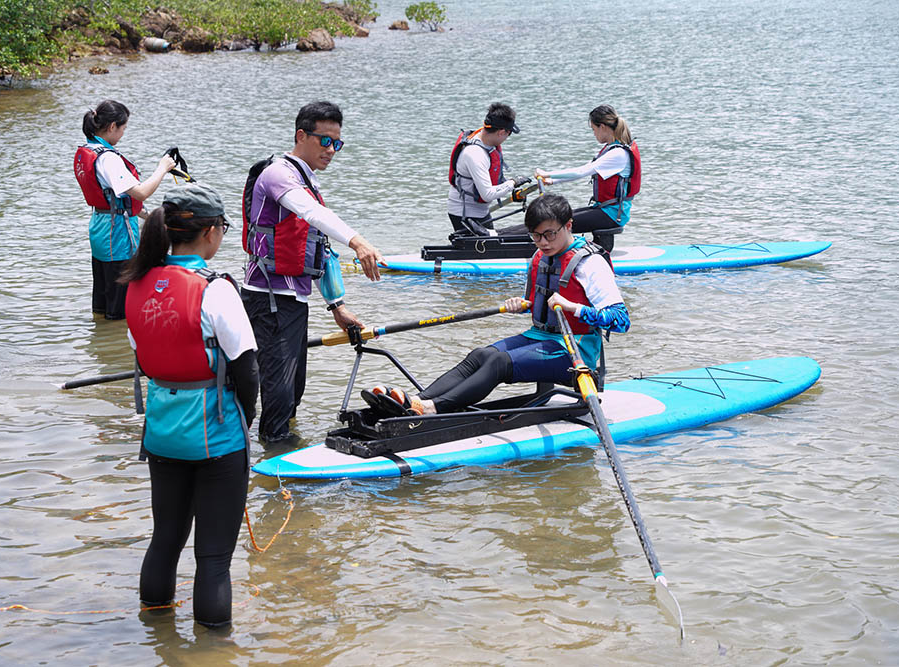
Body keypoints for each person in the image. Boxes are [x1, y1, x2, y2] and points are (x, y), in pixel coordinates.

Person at [121, 183, 259, 628]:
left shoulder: (137, 283)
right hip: (216, 434)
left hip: (161, 431)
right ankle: (213, 650)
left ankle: (155, 630)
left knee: (165, 539)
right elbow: (247, 367)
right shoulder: (215, 289)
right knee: (214, 558)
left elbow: (143, 355)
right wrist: (247, 420)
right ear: (210, 233)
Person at [364, 193, 630, 417]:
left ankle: (432, 408)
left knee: (499, 362)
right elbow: (537, 304)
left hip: (576, 351)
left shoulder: (590, 263)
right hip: (540, 337)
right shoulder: (540, 255)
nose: (543, 243)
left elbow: (621, 321)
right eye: (536, 236)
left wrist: (574, 308)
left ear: (569, 225)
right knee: (481, 354)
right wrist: (523, 304)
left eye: (550, 234)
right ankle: (413, 403)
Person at [241, 100, 384, 443]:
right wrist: (359, 242)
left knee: (294, 389)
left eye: (337, 143)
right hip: (268, 299)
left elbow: (320, 248)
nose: (332, 150)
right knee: (279, 393)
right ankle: (274, 460)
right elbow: (311, 215)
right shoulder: (278, 174)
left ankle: (279, 454)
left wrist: (337, 306)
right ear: (301, 135)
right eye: (325, 141)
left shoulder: (308, 181)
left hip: (292, 302)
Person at [75, 99, 177, 320]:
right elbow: (140, 192)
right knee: (120, 307)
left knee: (102, 299)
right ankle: (117, 348)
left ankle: (101, 345)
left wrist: (149, 216)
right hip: (117, 235)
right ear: (112, 127)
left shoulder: (88, 150)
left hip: (100, 228)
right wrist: (163, 168)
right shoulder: (108, 159)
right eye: (123, 128)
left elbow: (116, 198)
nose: (123, 134)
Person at [534, 105, 641, 252]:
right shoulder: (611, 149)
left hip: (611, 215)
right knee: (556, 217)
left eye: (594, 129)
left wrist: (548, 173)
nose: (594, 134)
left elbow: (580, 172)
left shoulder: (618, 154)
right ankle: (501, 235)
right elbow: (584, 168)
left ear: (602, 126)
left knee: (554, 223)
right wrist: (553, 180)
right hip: (604, 209)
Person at [447, 102, 530, 237]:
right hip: (465, 215)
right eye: (508, 135)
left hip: (479, 211)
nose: (506, 139)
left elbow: (492, 176)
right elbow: (488, 194)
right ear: (502, 132)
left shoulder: (485, 139)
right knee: (483, 252)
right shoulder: (475, 154)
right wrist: (512, 183)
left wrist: (513, 191)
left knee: (493, 243)